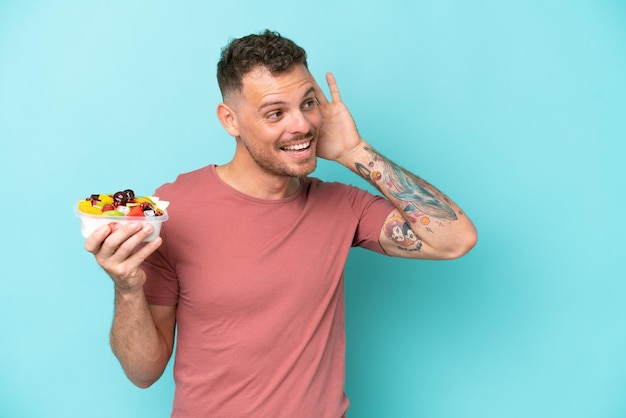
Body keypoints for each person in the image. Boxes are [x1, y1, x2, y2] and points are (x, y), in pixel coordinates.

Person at [84, 30, 477, 418]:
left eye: (308, 104)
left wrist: (355, 151)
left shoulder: (342, 206)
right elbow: (143, 371)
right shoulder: (176, 208)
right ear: (230, 120)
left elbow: (455, 239)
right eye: (276, 113)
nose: (302, 125)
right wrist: (127, 288)